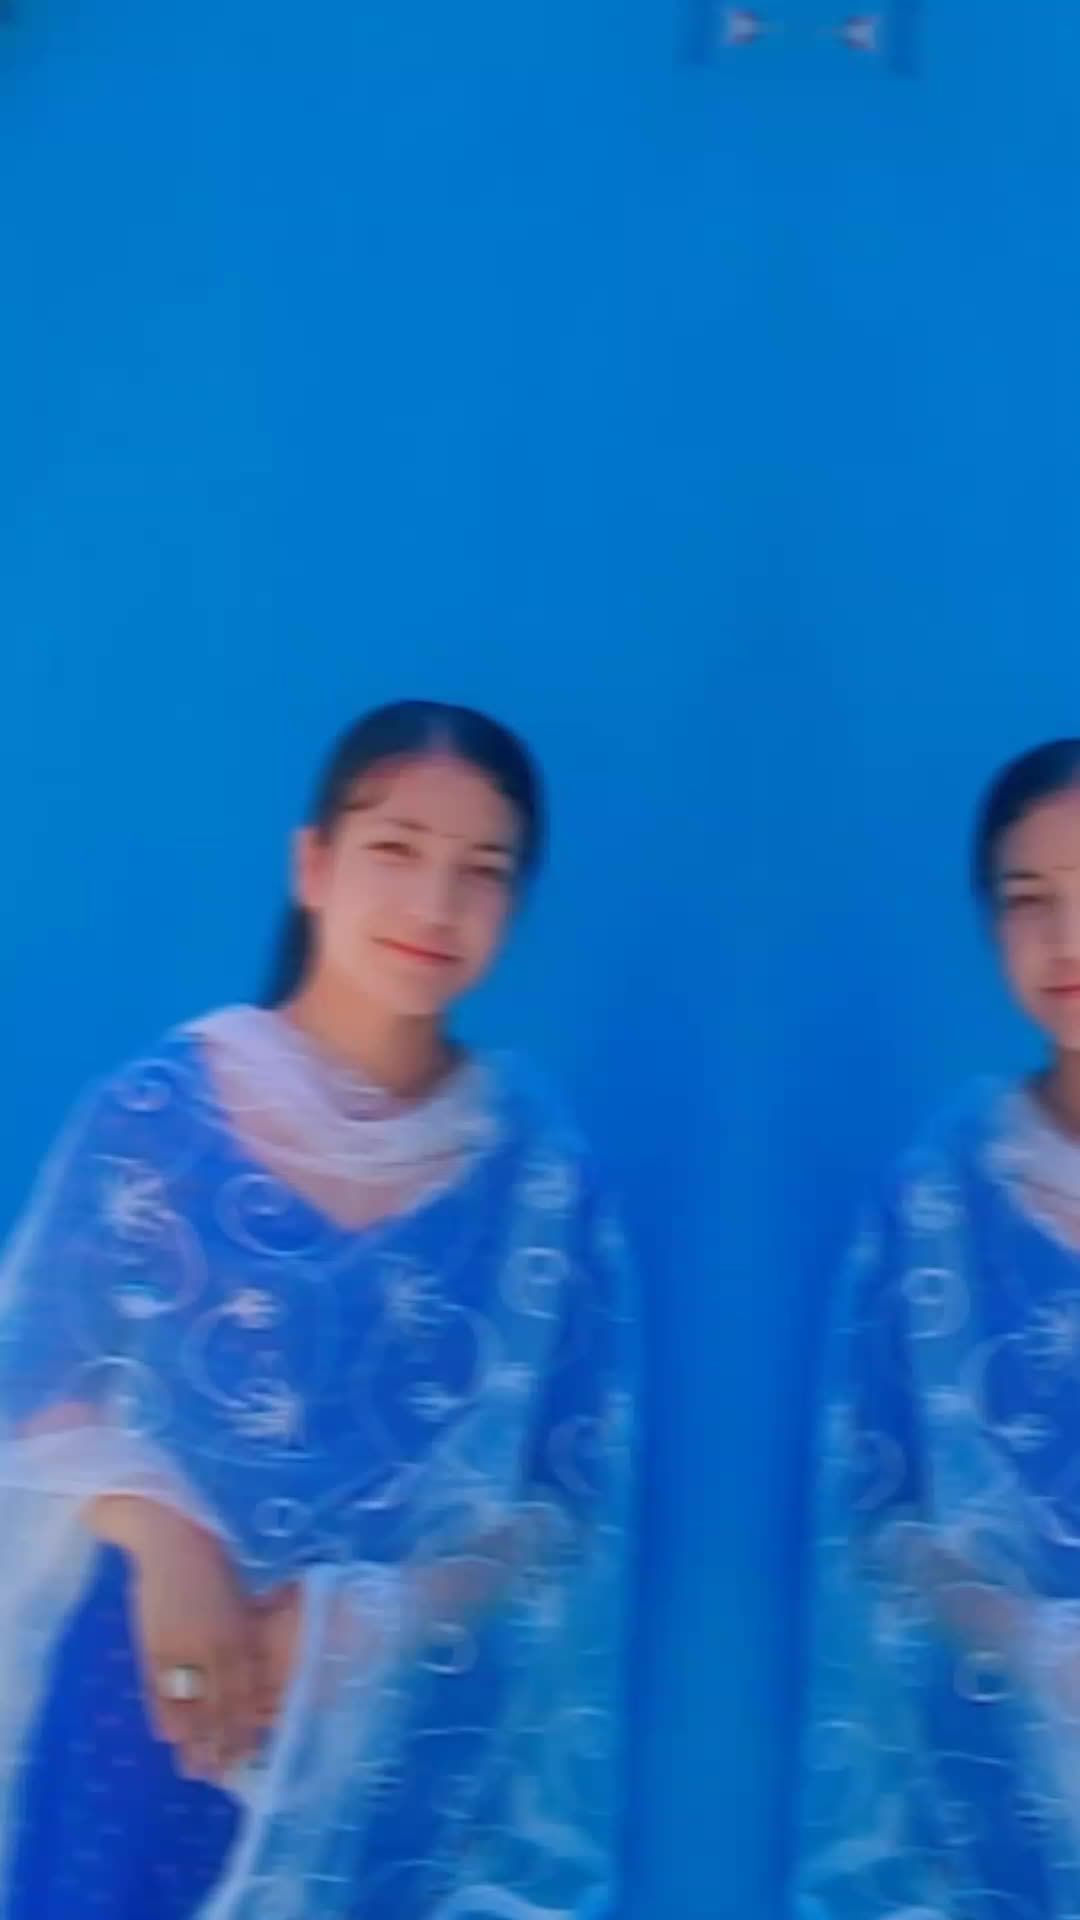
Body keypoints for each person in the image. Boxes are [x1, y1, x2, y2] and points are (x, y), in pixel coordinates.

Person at [0, 699, 633, 1920]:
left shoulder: (534, 1174)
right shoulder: (159, 1116)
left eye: (483, 871)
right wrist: (170, 1542)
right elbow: (36, 1384)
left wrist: (359, 1623)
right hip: (154, 1693)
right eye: (396, 849)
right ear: (313, 864)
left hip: (397, 1737)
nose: (434, 905)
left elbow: (565, 1497)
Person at [795, 738, 1080, 1919]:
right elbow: (878, 1516)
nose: (1067, 938)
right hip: (999, 1800)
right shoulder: (944, 1197)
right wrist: (1042, 1650)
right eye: (1029, 900)